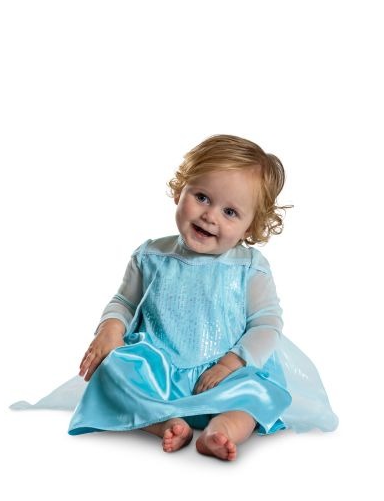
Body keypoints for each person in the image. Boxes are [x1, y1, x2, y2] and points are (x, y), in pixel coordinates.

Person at [66, 134, 338, 461]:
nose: (210, 216)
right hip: (158, 373)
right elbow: (124, 302)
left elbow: (266, 324)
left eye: (230, 212)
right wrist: (110, 329)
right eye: (202, 197)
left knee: (256, 393)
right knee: (113, 369)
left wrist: (231, 363)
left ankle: (221, 429)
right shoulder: (151, 256)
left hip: (225, 378)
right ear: (180, 190)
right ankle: (166, 423)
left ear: (250, 227)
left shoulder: (249, 268)